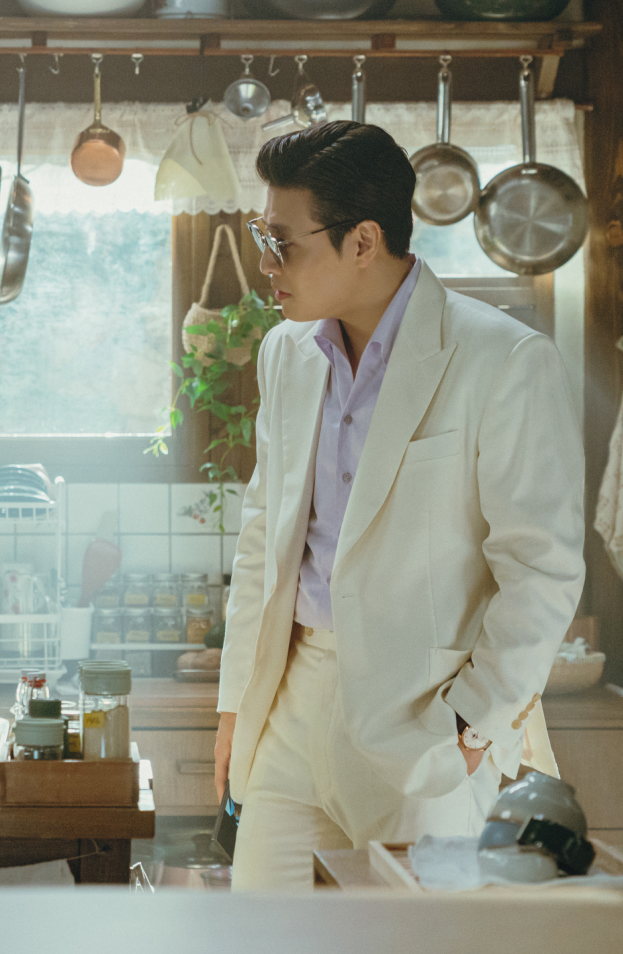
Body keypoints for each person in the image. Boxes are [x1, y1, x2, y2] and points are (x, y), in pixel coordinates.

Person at [213, 122, 584, 890]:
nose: (265, 263)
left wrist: (472, 726)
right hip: (292, 701)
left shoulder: (505, 360)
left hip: (428, 721)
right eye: (261, 234)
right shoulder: (286, 354)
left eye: (282, 242)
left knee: (421, 943)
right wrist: (233, 709)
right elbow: (264, 539)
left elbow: (541, 569)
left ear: (363, 241)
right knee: (257, 936)